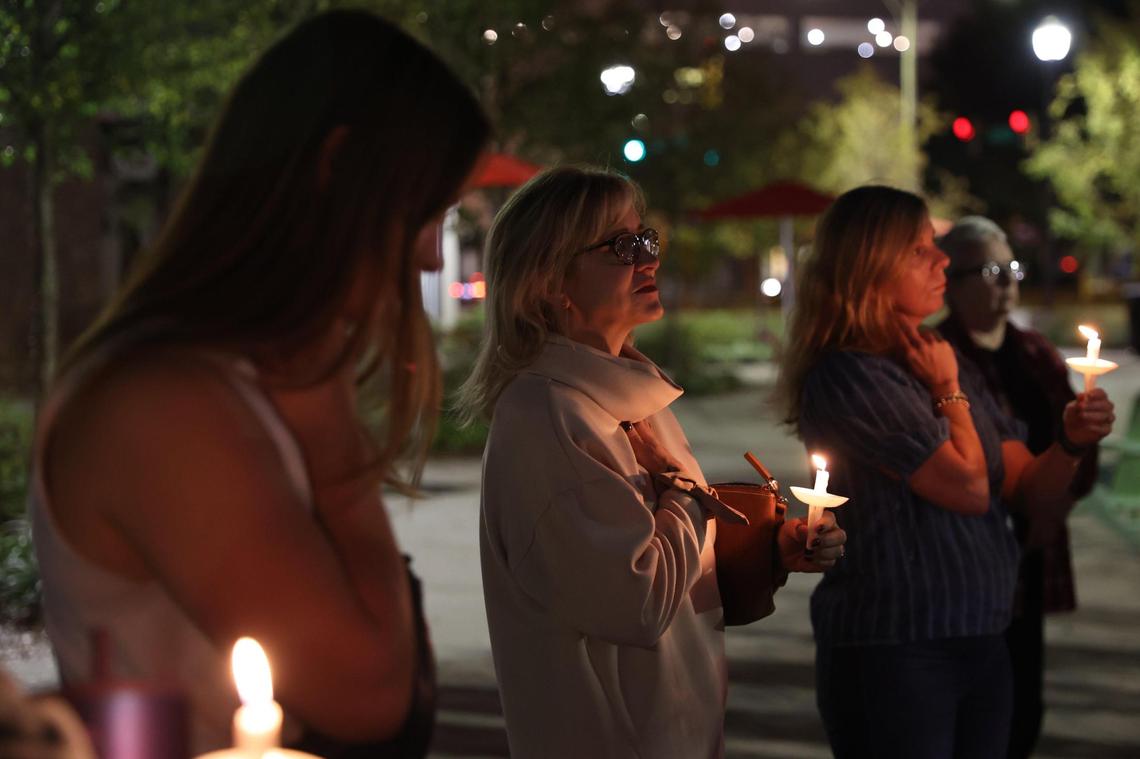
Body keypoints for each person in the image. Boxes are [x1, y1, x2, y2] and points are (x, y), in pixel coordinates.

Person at [28, 10, 489, 757]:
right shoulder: (164, 407)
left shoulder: (221, 382)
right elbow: (370, 693)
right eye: (427, 215)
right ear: (336, 170)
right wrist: (327, 422)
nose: (434, 260)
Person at [458, 166, 846, 758]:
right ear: (547, 281)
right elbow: (635, 602)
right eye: (621, 246)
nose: (648, 260)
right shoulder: (547, 417)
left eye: (647, 239)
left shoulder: (631, 396)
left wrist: (769, 551)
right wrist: (691, 498)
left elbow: (661, 563)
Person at [774, 186, 1115, 759]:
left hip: (980, 634)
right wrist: (947, 390)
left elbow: (1026, 483)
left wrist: (1072, 440)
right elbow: (969, 490)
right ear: (870, 266)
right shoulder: (854, 376)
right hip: (900, 648)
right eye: (920, 249)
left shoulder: (934, 352)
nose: (942, 261)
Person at [938, 216, 1098, 759]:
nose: (1006, 282)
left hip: (1031, 549)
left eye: (1011, 267)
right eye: (989, 269)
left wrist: (1063, 483)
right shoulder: (937, 357)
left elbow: (1079, 449)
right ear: (950, 282)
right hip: (962, 563)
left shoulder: (1035, 353)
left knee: (1024, 699)